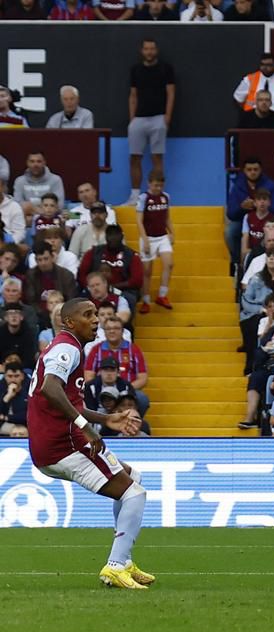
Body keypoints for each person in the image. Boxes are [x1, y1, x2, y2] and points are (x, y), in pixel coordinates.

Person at [26, 298, 148, 589]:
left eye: (96, 314)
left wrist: (105, 419)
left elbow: (64, 399)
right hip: (63, 445)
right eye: (88, 315)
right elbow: (50, 388)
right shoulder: (66, 347)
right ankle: (116, 566)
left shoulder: (66, 346)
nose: (96, 320)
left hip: (50, 446)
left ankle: (124, 561)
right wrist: (87, 428)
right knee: (135, 493)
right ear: (69, 322)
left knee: (131, 478)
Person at [126, 39, 175, 206]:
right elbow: (133, 95)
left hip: (158, 118)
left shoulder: (165, 68)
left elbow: (171, 93)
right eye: (146, 49)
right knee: (134, 157)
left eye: (152, 48)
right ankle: (134, 196)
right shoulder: (136, 70)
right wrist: (132, 118)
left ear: (156, 50)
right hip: (138, 119)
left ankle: (157, 195)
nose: (149, 52)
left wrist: (167, 116)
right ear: (142, 51)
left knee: (157, 157)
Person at [135, 170, 174, 313]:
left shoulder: (166, 197)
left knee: (169, 264)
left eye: (160, 185)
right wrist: (144, 239)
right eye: (155, 185)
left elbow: (167, 218)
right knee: (147, 271)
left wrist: (172, 233)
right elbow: (139, 221)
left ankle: (162, 295)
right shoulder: (144, 198)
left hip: (162, 236)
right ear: (149, 184)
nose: (158, 188)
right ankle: (145, 301)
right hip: (148, 238)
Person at [233, 52, 274, 129]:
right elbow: (238, 99)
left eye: (269, 65)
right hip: (253, 121)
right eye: (262, 64)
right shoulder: (249, 80)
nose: (265, 67)